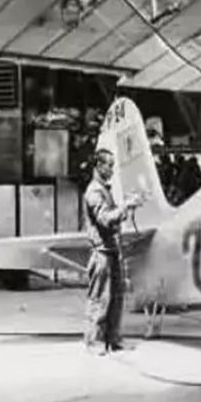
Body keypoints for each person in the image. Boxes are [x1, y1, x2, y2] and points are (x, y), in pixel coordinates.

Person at [83, 149, 143, 353]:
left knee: (117, 297)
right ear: (99, 166)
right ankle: (95, 342)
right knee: (101, 298)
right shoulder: (94, 192)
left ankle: (114, 339)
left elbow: (114, 217)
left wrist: (127, 208)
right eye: (109, 165)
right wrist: (125, 206)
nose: (112, 169)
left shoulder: (104, 191)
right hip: (102, 254)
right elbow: (106, 219)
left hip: (112, 251)